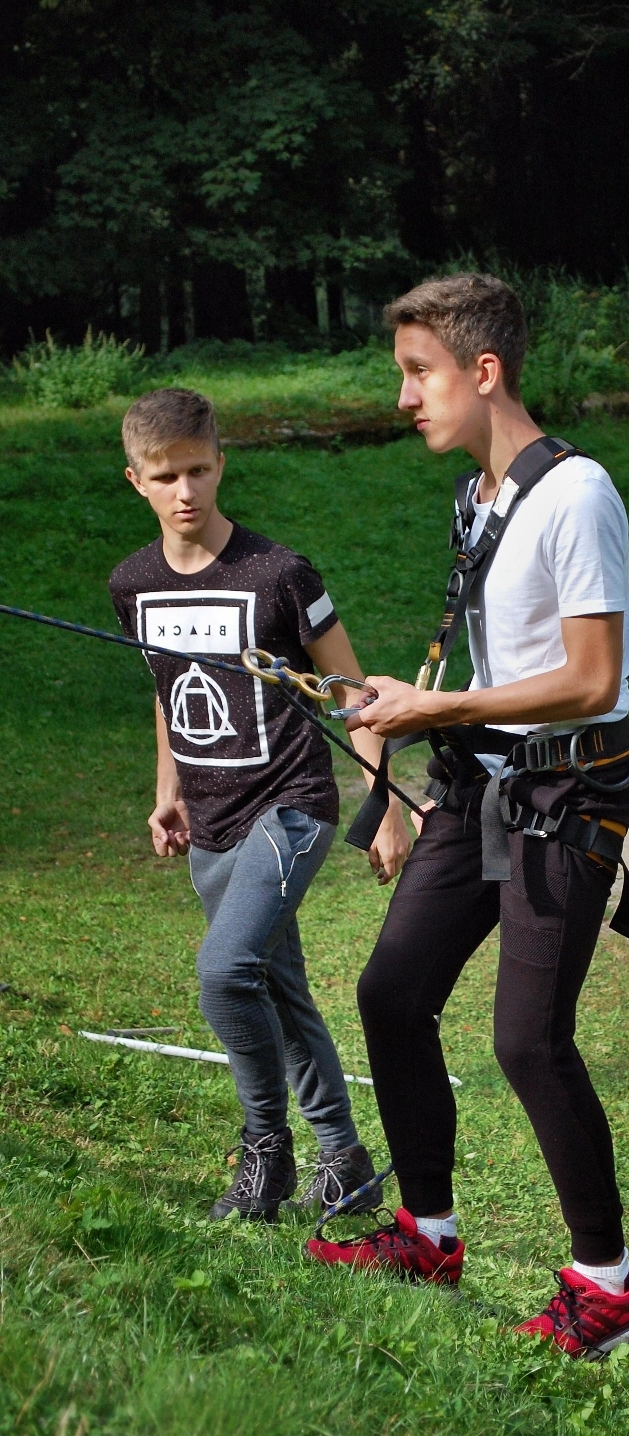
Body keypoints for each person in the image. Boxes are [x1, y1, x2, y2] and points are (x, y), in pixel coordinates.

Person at [305, 274, 629, 1359]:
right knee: (392, 991)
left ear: (485, 371)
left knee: (527, 1041)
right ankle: (426, 1233)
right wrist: (405, 708)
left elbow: (593, 678)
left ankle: (608, 1286)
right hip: (481, 785)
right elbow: (499, 666)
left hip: (569, 795)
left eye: (420, 373)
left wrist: (440, 707)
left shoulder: (576, 494)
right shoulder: (477, 497)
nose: (405, 396)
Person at [108, 387, 410, 1223]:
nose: (185, 492)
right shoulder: (133, 583)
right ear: (136, 480)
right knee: (279, 988)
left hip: (292, 804)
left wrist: (384, 805)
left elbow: (354, 693)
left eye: (198, 471)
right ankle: (345, 1162)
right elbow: (167, 690)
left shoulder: (279, 573)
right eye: (165, 477)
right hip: (211, 817)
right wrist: (168, 792)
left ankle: (265, 1156)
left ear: (220, 463)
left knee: (224, 972)